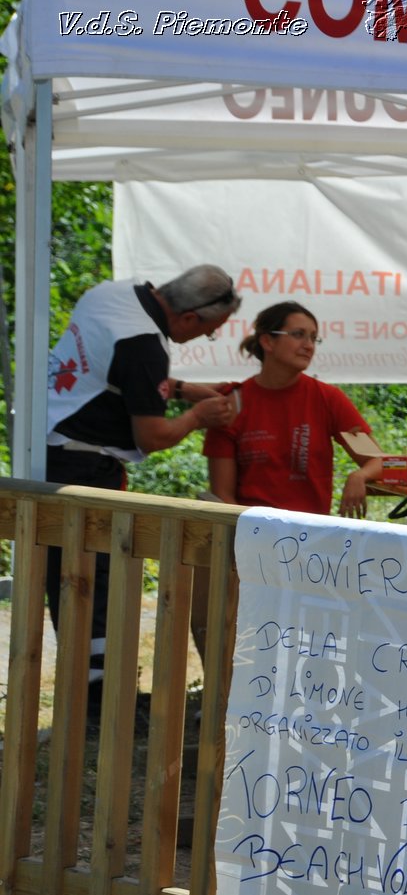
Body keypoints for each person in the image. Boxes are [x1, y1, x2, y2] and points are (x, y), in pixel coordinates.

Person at [44, 264, 241, 696]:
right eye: (209, 332)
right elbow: (151, 436)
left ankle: (89, 684)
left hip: (52, 447)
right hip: (83, 466)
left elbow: (118, 372)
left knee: (74, 577)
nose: (202, 339)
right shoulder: (144, 346)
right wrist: (197, 417)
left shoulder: (112, 294)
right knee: (91, 581)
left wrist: (184, 389)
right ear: (189, 318)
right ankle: (96, 696)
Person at [204, 301, 382, 516]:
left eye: (313, 338)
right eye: (298, 334)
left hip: (312, 536)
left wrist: (359, 476)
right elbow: (223, 497)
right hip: (250, 535)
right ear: (268, 342)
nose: (309, 345)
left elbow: (379, 460)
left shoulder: (327, 398)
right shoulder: (231, 404)